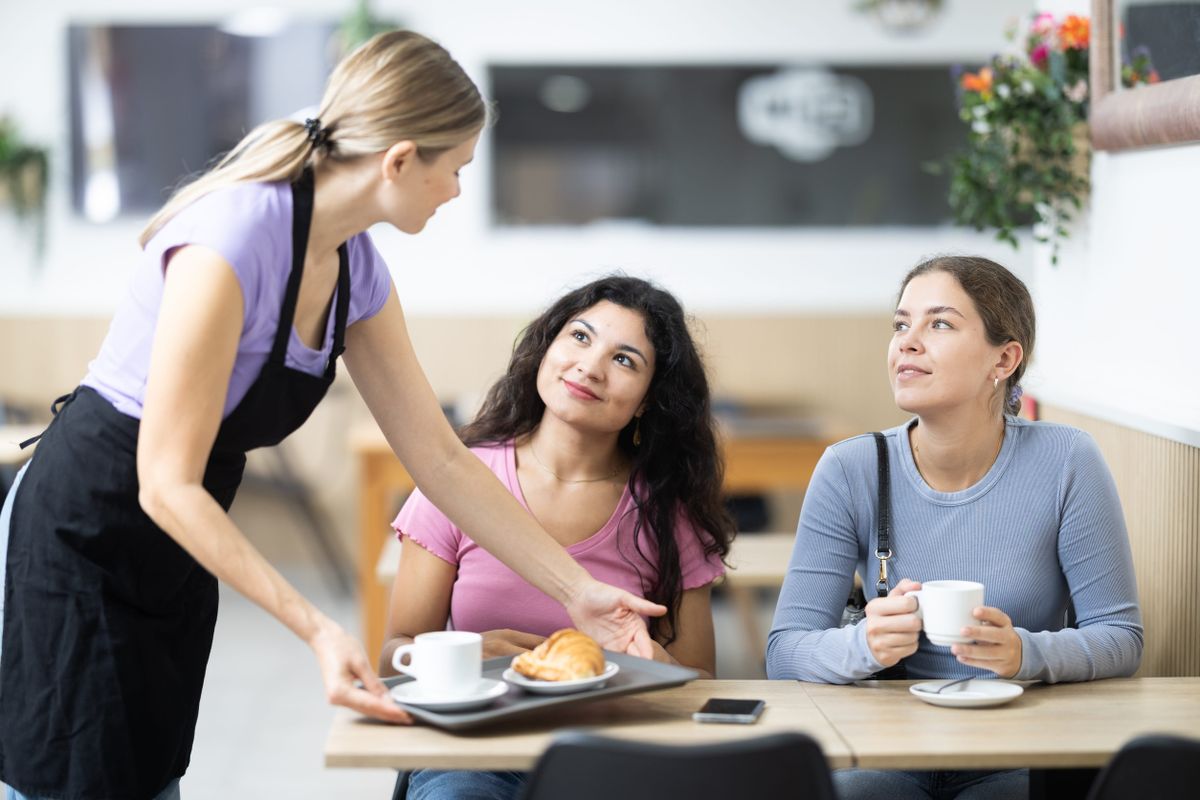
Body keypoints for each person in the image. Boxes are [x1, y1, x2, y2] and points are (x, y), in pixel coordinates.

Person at [0, 31, 667, 800]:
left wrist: (576, 588)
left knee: (147, 773)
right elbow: (164, 483)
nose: (454, 191)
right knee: (73, 775)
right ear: (400, 161)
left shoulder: (356, 268)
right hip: (88, 527)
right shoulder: (234, 237)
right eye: (453, 169)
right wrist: (318, 626)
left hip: (178, 539)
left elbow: (442, 461)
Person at [766, 255, 1143, 799]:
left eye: (939, 323)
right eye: (901, 324)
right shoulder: (849, 468)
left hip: (1019, 748)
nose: (907, 342)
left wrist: (1024, 654)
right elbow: (784, 651)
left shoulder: (1068, 460)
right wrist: (863, 646)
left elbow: (1122, 638)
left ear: (1005, 359)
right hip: (884, 748)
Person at [379, 275, 735, 800]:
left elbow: (701, 682)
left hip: (613, 757)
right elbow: (392, 656)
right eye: (580, 337)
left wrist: (642, 661)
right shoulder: (456, 482)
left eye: (624, 360)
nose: (590, 366)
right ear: (546, 347)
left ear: (646, 401)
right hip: (474, 753)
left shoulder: (666, 511)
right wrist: (470, 653)